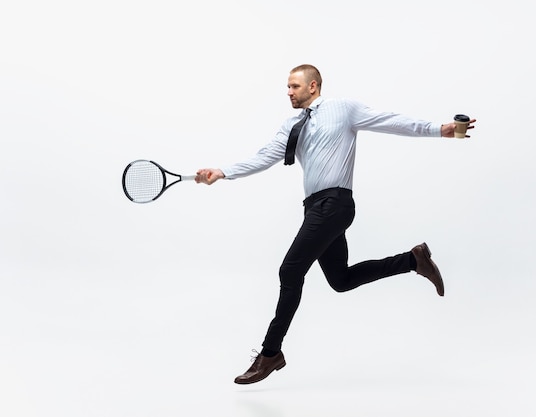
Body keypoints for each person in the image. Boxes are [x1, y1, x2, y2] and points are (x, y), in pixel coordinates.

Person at [195, 64, 476, 385]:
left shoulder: (343, 109)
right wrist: (223, 171)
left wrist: (439, 129)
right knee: (340, 280)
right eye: (287, 87)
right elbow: (264, 156)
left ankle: (270, 353)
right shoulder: (292, 124)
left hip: (335, 205)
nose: (288, 92)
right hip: (315, 208)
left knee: (289, 272)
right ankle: (413, 260)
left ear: (313, 86)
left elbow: (391, 121)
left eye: (294, 87)